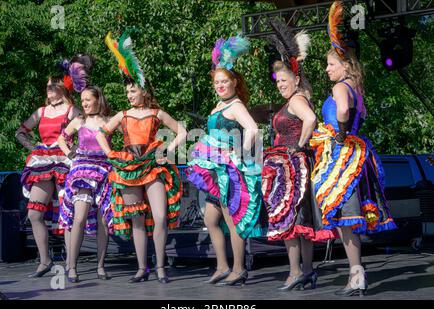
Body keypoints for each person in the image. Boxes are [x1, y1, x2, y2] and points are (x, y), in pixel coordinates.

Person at [310, 0, 397, 296]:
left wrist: (339, 134)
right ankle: (356, 272)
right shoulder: (357, 88)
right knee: (347, 217)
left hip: (343, 154)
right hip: (358, 154)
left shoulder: (340, 88)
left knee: (344, 214)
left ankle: (357, 273)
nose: (327, 69)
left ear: (345, 64)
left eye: (331, 64)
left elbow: (343, 113)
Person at [96, 30, 187, 284]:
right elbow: (101, 134)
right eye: (127, 92)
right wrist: (110, 154)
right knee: (137, 218)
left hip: (152, 164)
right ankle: (141, 267)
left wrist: (167, 151)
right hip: (127, 166)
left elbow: (183, 131)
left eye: (133, 91)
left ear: (144, 92)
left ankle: (159, 267)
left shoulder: (157, 113)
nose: (129, 95)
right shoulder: (123, 115)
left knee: (159, 217)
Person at [186, 35, 267, 286]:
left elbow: (253, 129)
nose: (220, 85)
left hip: (229, 171)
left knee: (232, 219)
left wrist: (240, 154)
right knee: (211, 219)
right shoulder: (218, 106)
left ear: (234, 82)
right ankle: (222, 266)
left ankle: (239, 268)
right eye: (217, 82)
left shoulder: (236, 105)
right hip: (215, 168)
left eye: (225, 81)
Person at [261, 22, 337, 291]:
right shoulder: (295, 98)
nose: (279, 84)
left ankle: (295, 272)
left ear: (295, 78)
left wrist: (300, 145)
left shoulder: (296, 100)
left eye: (283, 80)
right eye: (277, 81)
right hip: (293, 164)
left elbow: (311, 119)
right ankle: (306, 272)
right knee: (300, 221)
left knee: (288, 218)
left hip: (292, 165)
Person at [16, 55, 88, 277]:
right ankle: (45, 260)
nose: (47, 88)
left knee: (66, 214)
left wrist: (74, 150)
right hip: (43, 162)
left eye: (52, 85)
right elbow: (20, 132)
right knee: (34, 213)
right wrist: (34, 148)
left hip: (65, 162)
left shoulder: (72, 110)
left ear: (62, 87)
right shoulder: (41, 111)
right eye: (47, 85)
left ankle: (70, 264)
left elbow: (86, 132)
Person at [58, 85, 113, 283]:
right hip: (83, 171)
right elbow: (61, 139)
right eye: (82, 101)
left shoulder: (108, 121)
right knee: (79, 218)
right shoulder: (79, 121)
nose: (84, 104)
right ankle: (71, 266)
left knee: (103, 221)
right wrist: (71, 155)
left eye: (88, 100)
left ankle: (100, 265)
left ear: (98, 99)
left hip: (105, 171)